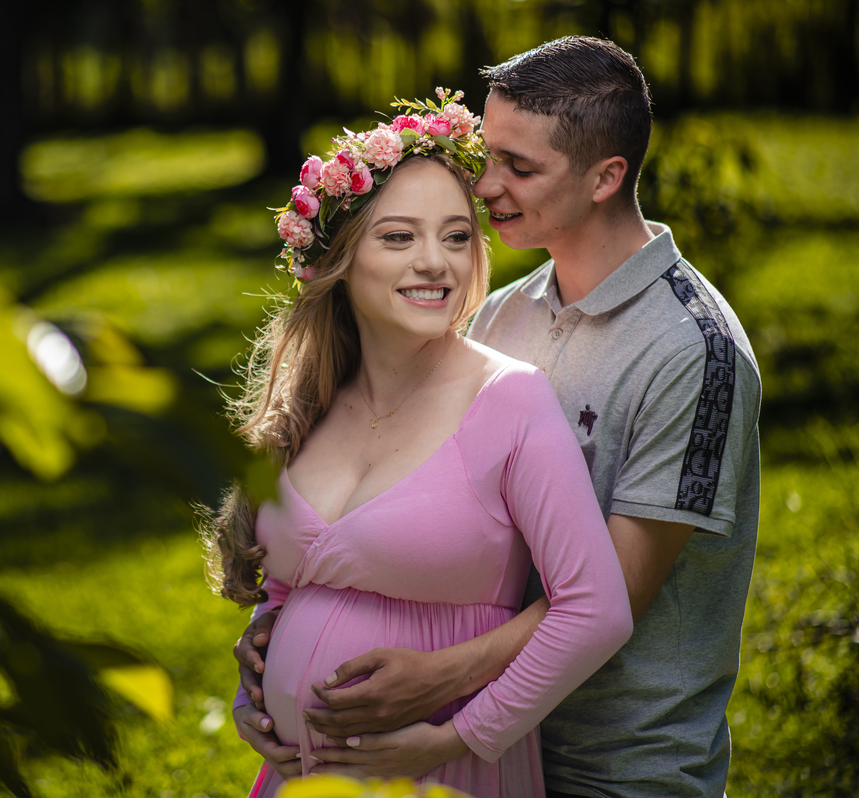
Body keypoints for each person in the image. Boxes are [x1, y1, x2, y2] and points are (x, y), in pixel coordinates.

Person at [232, 37, 762, 798]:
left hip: (618, 757)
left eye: (520, 167)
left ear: (607, 176)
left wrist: (438, 686)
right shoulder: (502, 315)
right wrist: (281, 636)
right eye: (489, 155)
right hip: (492, 732)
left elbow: (612, 592)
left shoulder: (692, 350)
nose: (485, 186)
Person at [206, 88, 633, 797]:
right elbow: (286, 588)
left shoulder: (509, 400)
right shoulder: (313, 401)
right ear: (341, 259)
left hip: (441, 776)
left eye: (457, 236)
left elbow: (596, 609)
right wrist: (254, 693)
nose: (436, 262)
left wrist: (455, 738)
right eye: (399, 237)